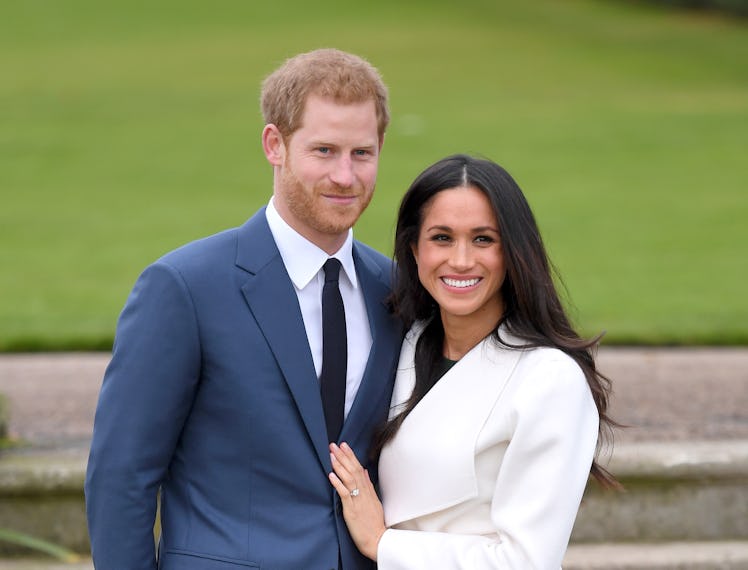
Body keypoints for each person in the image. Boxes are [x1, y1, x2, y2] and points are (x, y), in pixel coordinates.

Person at [85, 48, 403, 570]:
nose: (345, 176)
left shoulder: (395, 290)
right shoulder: (184, 288)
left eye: (361, 153)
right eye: (323, 151)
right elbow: (121, 476)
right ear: (274, 144)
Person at [328, 154, 619, 569]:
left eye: (483, 239)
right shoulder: (402, 343)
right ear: (414, 249)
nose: (461, 261)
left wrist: (384, 544)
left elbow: (527, 562)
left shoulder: (549, 380)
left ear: (513, 252)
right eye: (441, 238)